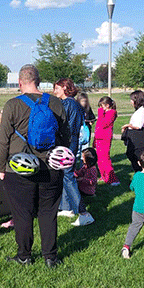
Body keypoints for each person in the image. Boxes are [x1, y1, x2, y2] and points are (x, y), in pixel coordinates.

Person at [0, 64, 70, 268]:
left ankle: (24, 256)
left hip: (19, 168)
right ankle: (50, 257)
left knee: (22, 214)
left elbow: (2, 141)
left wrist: (1, 168)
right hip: (51, 167)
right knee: (48, 212)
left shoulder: (12, 105)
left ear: (20, 83)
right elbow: (66, 135)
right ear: (38, 81)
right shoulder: (55, 103)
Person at [52, 78, 93, 226]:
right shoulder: (73, 103)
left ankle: (83, 213)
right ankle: (66, 207)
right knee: (65, 174)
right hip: (71, 141)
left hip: (67, 142)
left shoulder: (67, 104)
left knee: (68, 176)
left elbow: (62, 125)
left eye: (57, 88)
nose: (54, 91)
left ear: (65, 88)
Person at [122, 90, 144, 172]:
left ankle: (141, 171)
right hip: (135, 135)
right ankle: (139, 170)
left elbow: (138, 126)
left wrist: (127, 125)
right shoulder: (140, 110)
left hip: (139, 135)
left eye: (132, 100)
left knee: (137, 154)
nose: (131, 102)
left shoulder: (143, 111)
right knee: (131, 154)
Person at [94, 96, 120, 185]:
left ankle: (112, 179)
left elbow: (103, 124)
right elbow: (98, 126)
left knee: (105, 159)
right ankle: (104, 176)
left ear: (107, 105)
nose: (101, 108)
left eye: (102, 106)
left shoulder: (111, 113)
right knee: (100, 159)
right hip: (99, 139)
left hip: (105, 139)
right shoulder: (104, 113)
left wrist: (100, 113)